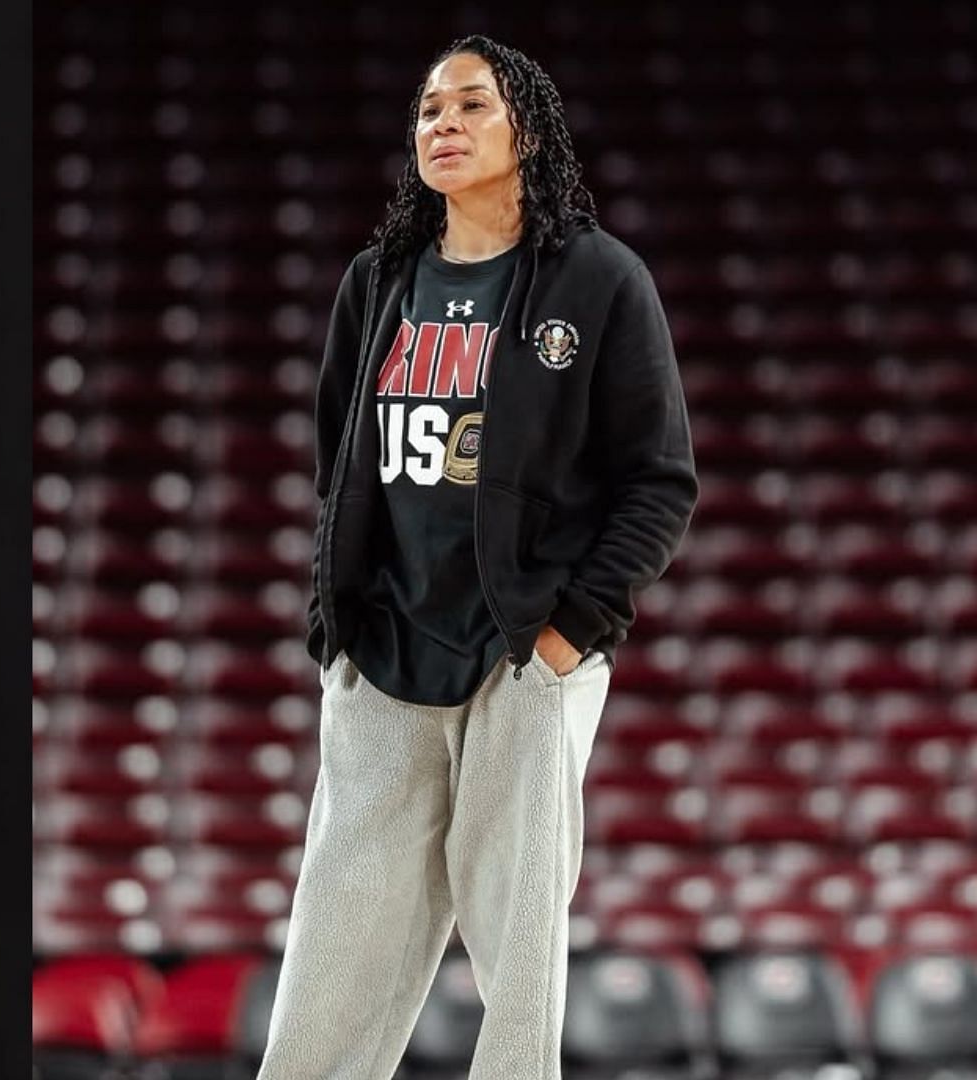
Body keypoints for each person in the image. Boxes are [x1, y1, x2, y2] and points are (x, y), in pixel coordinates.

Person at [258, 34, 696, 1077]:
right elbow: (338, 466)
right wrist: (336, 626)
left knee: (519, 955)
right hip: (385, 655)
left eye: (470, 107)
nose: (441, 125)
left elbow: (659, 480)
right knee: (335, 942)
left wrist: (564, 637)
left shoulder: (598, 281)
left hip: (521, 660)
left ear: (528, 132)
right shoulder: (379, 283)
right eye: (426, 112)